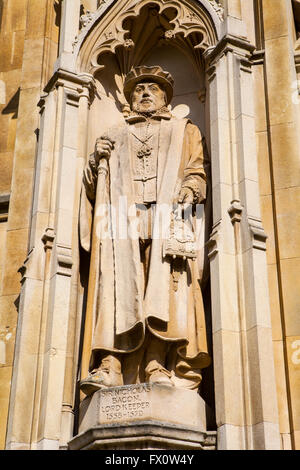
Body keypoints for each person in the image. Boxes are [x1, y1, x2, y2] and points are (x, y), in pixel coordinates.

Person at [79, 65, 210, 396]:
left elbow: (198, 171)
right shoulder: (113, 133)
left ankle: (156, 362)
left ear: (165, 96)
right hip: (121, 220)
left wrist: (190, 190)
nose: (145, 93)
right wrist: (97, 162)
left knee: (163, 291)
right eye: (138, 89)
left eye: (152, 88)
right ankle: (110, 365)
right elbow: (93, 187)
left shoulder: (185, 131)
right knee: (116, 287)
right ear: (130, 99)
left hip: (167, 215)